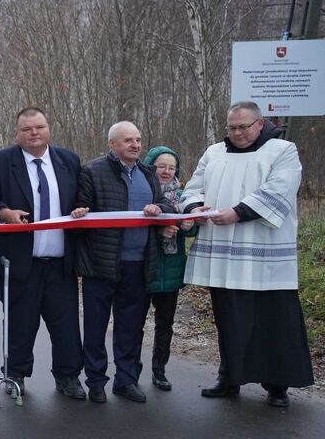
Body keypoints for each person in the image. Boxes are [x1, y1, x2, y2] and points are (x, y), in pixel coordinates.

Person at [182, 101, 314, 407]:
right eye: (232, 127)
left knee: (273, 321)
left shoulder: (282, 149)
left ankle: (277, 385)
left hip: (265, 255)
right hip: (222, 254)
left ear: (260, 123)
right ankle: (229, 376)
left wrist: (238, 213)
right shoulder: (214, 152)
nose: (238, 133)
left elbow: (279, 190)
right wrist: (194, 207)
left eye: (244, 127)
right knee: (229, 318)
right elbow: (193, 187)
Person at [0, 107, 86, 399]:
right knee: (20, 321)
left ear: (48, 129)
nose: (34, 133)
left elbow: (81, 196)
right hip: (18, 261)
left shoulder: (69, 160)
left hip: (60, 262)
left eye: (39, 127)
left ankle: (68, 376)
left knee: (66, 322)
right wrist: (3, 213)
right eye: (27, 129)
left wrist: (82, 209)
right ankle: (15, 375)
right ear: (17, 133)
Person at [71, 121, 173, 404]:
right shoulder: (93, 170)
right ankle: (95, 381)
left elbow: (166, 205)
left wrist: (159, 209)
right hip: (101, 264)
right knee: (95, 326)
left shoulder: (148, 174)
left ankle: (126, 380)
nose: (135, 145)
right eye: (128, 140)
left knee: (130, 327)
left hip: (138, 264)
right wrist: (80, 211)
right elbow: (80, 207)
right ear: (112, 144)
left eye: (138, 140)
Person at [140, 145, 196, 392]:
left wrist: (188, 225)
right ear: (151, 166)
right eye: (161, 166)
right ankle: (131, 371)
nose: (166, 171)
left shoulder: (184, 196)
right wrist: (158, 229)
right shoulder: (141, 191)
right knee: (135, 324)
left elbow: (193, 229)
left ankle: (159, 371)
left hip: (172, 268)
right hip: (143, 267)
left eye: (171, 167)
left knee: (165, 324)